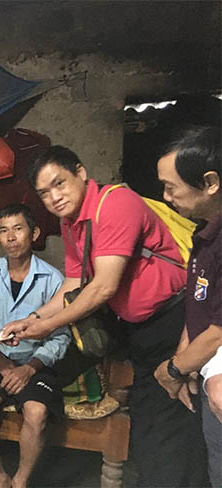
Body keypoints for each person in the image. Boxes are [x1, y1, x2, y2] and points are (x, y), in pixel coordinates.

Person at [1, 145, 208, 486]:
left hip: (176, 321)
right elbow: (74, 284)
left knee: (172, 426)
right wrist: (33, 318)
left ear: (81, 173)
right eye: (44, 193)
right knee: (150, 425)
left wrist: (47, 326)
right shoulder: (72, 223)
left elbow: (103, 287)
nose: (54, 198)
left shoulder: (115, 204)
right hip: (142, 332)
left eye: (59, 184)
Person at [0, 204, 69, 488]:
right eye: (3, 231)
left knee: (37, 412)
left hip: (35, 361)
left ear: (34, 234)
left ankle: (20, 480)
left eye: (18, 229)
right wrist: (2, 364)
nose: (11, 237)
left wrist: (28, 369)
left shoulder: (53, 279)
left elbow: (61, 336)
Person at [153, 126, 221, 486]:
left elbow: (218, 332)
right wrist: (185, 357)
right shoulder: (204, 234)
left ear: (210, 182)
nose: (166, 198)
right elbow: (199, 303)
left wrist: (173, 369)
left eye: (171, 187)